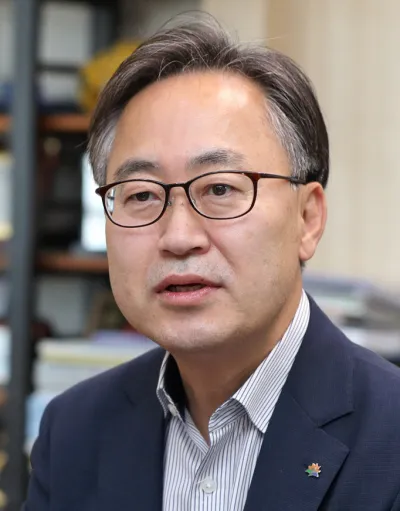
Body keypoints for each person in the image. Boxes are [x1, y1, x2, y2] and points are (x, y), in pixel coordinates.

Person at [24, 14, 400, 511]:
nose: (179, 237)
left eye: (220, 188)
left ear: (307, 219)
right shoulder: (73, 432)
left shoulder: (390, 436)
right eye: (141, 195)